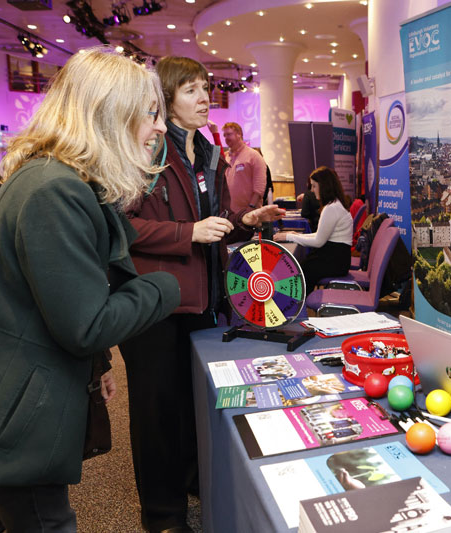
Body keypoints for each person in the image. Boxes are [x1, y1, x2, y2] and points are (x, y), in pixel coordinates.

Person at [0, 48, 180, 533]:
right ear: (110, 116)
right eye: (150, 114)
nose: (160, 128)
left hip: (5, 398)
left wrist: (96, 368)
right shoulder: (57, 191)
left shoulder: (51, 179)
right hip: (15, 411)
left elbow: (52, 297)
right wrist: (165, 288)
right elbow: (85, 324)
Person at [118, 56, 283, 533]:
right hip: (155, 304)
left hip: (204, 301)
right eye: (190, 90)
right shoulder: (146, 149)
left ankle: (190, 479)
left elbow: (218, 223)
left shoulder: (209, 152)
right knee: (157, 414)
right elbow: (122, 226)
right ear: (166, 99)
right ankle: (163, 516)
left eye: (205, 88)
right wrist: (186, 233)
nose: (204, 97)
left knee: (192, 404)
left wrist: (246, 221)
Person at [274, 166, 352, 293]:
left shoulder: (331, 208)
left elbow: (318, 241)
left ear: (324, 186)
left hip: (336, 260)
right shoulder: (335, 204)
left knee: (301, 271)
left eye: (314, 186)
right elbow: (320, 235)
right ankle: (300, 305)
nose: (311, 190)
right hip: (338, 257)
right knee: (303, 267)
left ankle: (298, 306)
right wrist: (295, 234)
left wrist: (289, 237)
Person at [223, 121, 267, 213]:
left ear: (239, 134)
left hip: (249, 212)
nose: (226, 138)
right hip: (229, 213)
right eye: (225, 135)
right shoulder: (225, 157)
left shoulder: (254, 156)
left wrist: (251, 207)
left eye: (229, 134)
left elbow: (259, 187)